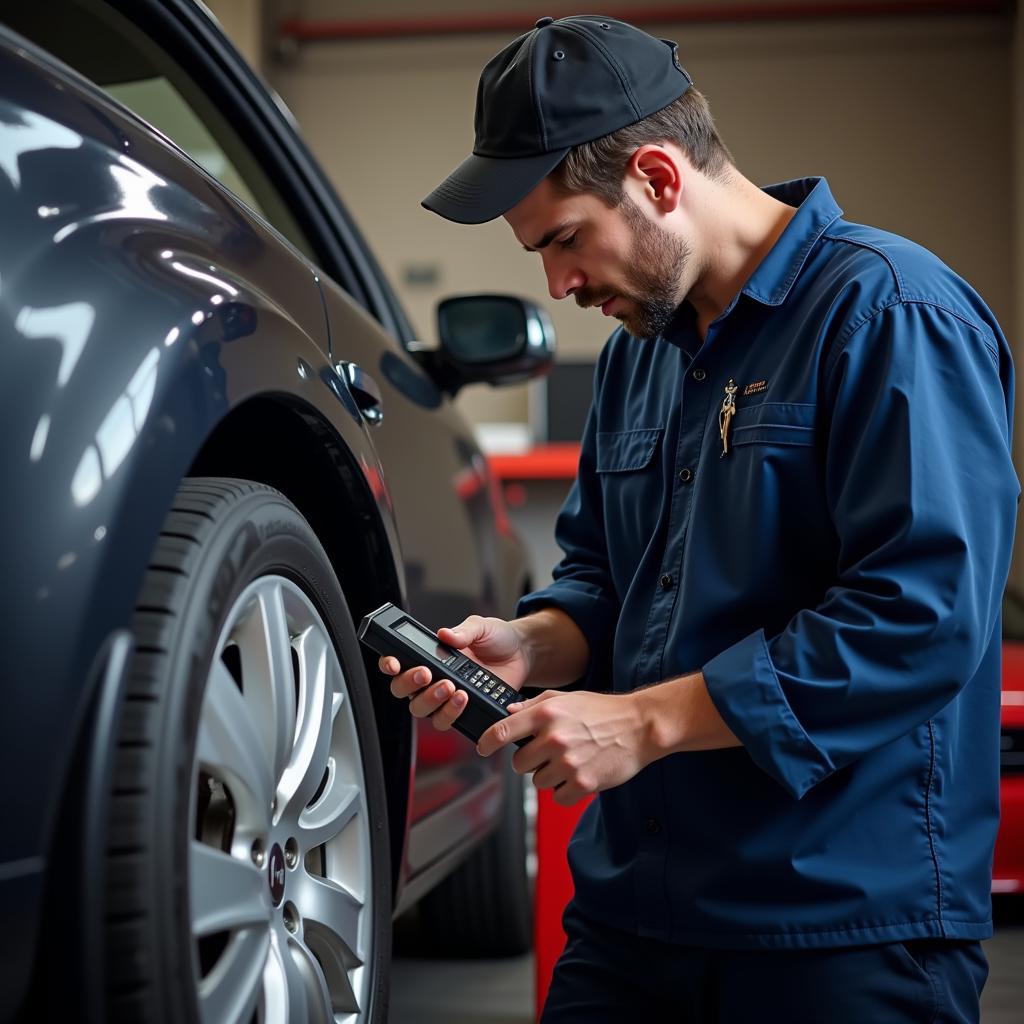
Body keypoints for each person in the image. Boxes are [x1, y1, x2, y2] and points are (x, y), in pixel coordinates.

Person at [380, 14, 1019, 1023]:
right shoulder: (641, 353)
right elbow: (601, 574)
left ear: (659, 178)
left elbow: (921, 614)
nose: (556, 285)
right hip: (635, 911)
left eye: (563, 239)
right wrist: (529, 644)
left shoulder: (892, 313)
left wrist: (641, 721)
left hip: (839, 931)